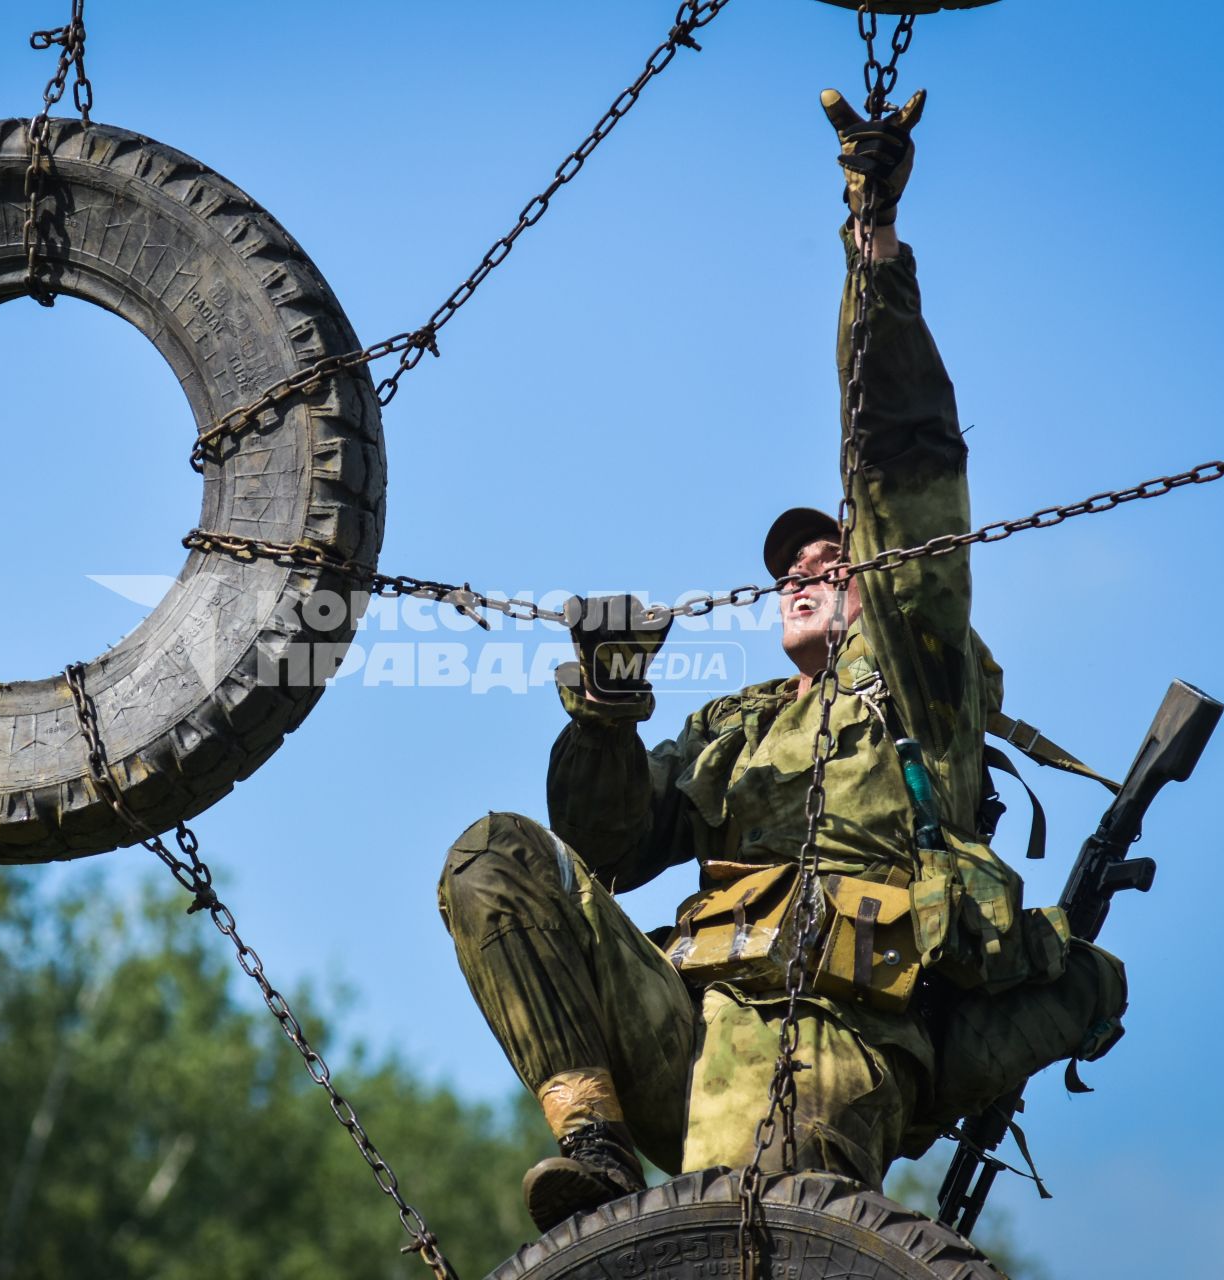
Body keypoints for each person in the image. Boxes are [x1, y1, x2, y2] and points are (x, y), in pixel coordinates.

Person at [436, 88, 1129, 1234]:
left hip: (840, 1034)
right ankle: (594, 1143)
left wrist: (876, 248)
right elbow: (606, 841)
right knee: (493, 855)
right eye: (788, 563)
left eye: (831, 555)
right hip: (692, 1022)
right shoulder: (736, 727)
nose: (805, 567)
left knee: (756, 1231)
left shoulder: (922, 687)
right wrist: (607, 711)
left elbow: (903, 468)